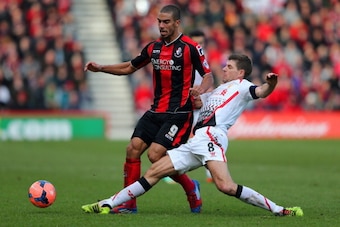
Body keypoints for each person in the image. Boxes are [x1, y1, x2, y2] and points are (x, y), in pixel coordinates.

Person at [81, 54, 303, 216]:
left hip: (212, 137)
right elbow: (199, 103)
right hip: (196, 140)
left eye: (229, 66)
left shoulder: (243, 86)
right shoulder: (217, 91)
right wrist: (195, 95)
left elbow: (262, 91)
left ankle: (279, 210)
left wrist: (271, 83)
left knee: (225, 186)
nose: (224, 69)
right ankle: (108, 203)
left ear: (240, 72)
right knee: (154, 171)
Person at [84, 5, 213, 214]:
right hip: (156, 111)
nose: (161, 26)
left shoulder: (190, 47)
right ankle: (129, 204)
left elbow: (208, 75)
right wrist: (101, 68)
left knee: (155, 156)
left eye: (166, 22)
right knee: (132, 149)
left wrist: (200, 90)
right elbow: (129, 67)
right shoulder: (153, 48)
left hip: (179, 113)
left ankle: (191, 188)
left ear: (177, 23)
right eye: (159, 21)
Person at [189, 29, 214, 183]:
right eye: (196, 42)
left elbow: (210, 80)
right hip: (185, 103)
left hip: (200, 104)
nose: (199, 45)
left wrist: (205, 97)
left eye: (202, 43)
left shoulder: (205, 60)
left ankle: (211, 173)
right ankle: (170, 172)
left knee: (205, 136)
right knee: (177, 139)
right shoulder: (185, 60)